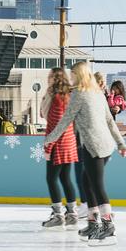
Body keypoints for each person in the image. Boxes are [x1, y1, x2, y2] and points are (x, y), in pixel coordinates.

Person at [44, 61, 126, 246]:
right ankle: (93, 222)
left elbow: (66, 120)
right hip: (105, 145)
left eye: (73, 74)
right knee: (85, 181)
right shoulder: (97, 93)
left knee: (96, 185)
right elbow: (109, 121)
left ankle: (108, 227)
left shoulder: (79, 95)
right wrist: (120, 143)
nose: (71, 77)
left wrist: (50, 138)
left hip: (94, 146)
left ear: (80, 75)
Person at [39, 67, 79, 230]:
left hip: (58, 143)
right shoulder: (68, 96)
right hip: (69, 141)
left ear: (55, 79)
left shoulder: (57, 98)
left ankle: (57, 215)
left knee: (51, 178)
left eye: (50, 76)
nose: (48, 78)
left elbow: (54, 124)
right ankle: (72, 213)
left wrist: (48, 146)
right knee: (65, 178)